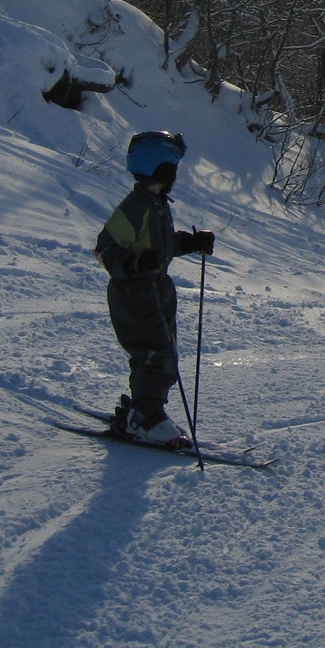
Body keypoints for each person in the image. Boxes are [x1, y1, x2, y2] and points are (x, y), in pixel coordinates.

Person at [94, 130, 214, 447]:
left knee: (157, 354)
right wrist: (133, 265)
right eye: (173, 169)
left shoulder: (156, 204)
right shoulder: (135, 207)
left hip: (156, 290)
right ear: (162, 170)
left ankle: (142, 410)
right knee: (157, 356)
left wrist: (190, 243)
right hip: (134, 294)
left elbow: (159, 246)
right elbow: (105, 248)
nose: (175, 176)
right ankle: (145, 417)